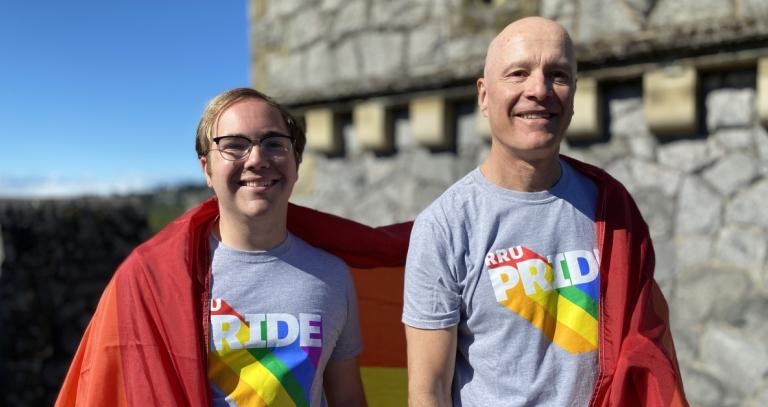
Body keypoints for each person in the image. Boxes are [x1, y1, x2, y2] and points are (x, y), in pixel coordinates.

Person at [402, 17, 688, 406]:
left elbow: (646, 352)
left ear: (573, 94)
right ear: (484, 96)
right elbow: (428, 391)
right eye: (518, 73)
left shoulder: (611, 207)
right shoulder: (444, 227)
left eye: (557, 74)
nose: (539, 90)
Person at [56, 88, 398, 406]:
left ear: (296, 162)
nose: (257, 159)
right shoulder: (154, 279)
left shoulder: (331, 275)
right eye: (234, 145)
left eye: (274, 143)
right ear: (207, 169)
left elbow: (348, 398)